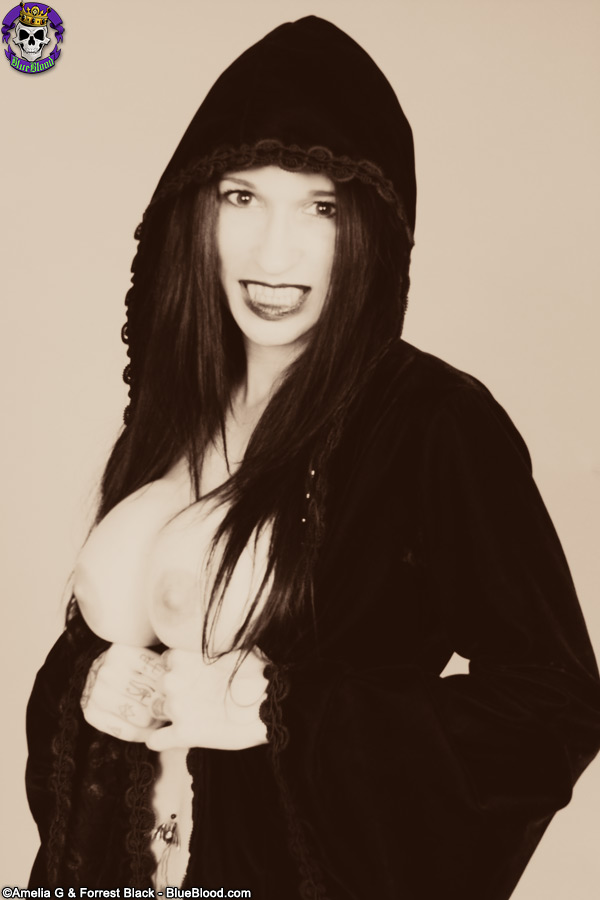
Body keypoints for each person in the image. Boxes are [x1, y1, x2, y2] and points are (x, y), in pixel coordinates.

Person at [26, 16, 600, 900]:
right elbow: (99, 660)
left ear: (371, 226)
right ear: (198, 206)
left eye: (321, 208)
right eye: (242, 198)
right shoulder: (178, 404)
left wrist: (280, 712)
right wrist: (93, 686)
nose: (273, 253)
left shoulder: (431, 421)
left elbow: (551, 708)